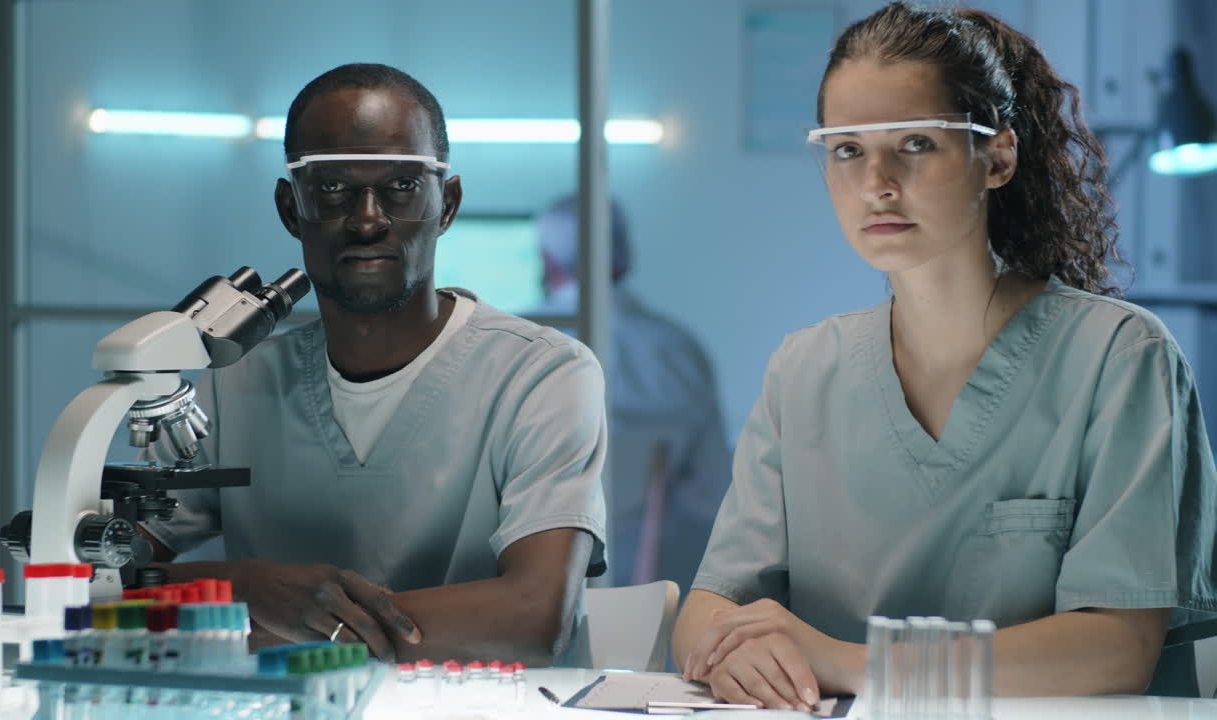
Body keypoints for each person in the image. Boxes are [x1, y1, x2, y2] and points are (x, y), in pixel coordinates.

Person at [671, 1, 1217, 709]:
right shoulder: (804, 370)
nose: (877, 183)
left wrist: (843, 662)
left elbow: (1114, 650)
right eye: (847, 150)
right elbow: (706, 613)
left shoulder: (1118, 358)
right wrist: (729, 657)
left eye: (917, 144)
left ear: (998, 156)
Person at [139, 63, 608, 667]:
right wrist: (243, 587)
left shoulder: (541, 375)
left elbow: (534, 616)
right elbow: (102, 578)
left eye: (401, 187)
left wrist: (295, 626)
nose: (366, 219)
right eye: (331, 188)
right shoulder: (239, 383)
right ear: (290, 207)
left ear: (448, 204)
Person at [534, 195, 732, 595]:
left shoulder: (522, 341)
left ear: (548, 262)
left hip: (535, 572)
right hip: (650, 584)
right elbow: (713, 489)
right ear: (625, 257)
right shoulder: (680, 350)